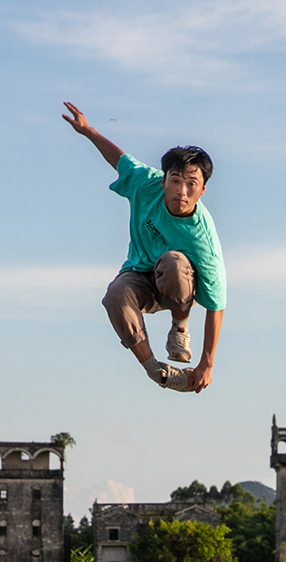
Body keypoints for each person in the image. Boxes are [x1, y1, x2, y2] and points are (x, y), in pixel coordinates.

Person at [63, 102, 226, 394]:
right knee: (115, 294)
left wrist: (207, 365)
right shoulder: (145, 183)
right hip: (140, 275)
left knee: (174, 261)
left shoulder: (203, 239)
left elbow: (216, 306)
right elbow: (119, 159)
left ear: (203, 190)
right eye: (175, 181)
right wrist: (89, 132)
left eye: (191, 184)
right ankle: (156, 369)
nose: (182, 191)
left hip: (178, 285)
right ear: (163, 181)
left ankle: (179, 328)